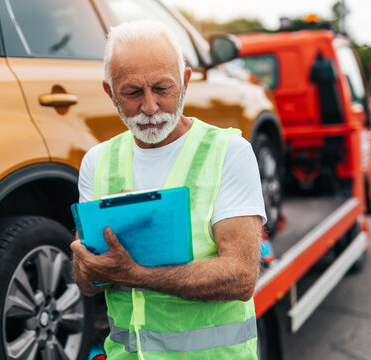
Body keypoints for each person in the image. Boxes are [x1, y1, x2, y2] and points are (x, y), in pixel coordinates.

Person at [71, 20, 266, 359]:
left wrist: (137, 275)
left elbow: (240, 276)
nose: (149, 107)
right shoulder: (97, 162)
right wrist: (85, 267)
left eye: (163, 89)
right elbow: (88, 284)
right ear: (110, 92)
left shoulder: (228, 153)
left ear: (186, 82)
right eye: (132, 93)